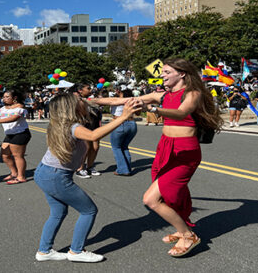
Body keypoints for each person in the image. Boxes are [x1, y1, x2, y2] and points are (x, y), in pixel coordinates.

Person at [93, 58, 223, 257]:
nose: (162, 75)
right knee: (169, 195)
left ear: (182, 74)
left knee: (151, 199)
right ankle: (181, 229)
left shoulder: (192, 93)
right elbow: (118, 101)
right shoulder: (161, 95)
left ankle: (188, 235)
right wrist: (88, 101)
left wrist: (151, 109)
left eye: (167, 72)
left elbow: (181, 113)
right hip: (165, 148)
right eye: (162, 72)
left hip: (185, 152)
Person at [34, 93, 141, 262]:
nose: (85, 102)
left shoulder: (59, 124)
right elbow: (93, 136)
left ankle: (44, 251)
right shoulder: (73, 127)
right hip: (56, 176)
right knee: (89, 210)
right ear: (71, 108)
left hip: (45, 173)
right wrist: (124, 116)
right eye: (80, 101)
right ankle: (76, 252)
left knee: (58, 212)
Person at [0, 90, 31, 184]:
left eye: (7, 97)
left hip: (20, 133)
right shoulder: (4, 108)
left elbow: (13, 118)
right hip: (10, 134)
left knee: (17, 156)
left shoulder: (20, 108)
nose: (4, 99)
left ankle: (21, 177)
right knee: (5, 156)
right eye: (4, 97)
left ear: (14, 98)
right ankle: (14, 173)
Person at [104, 87, 138, 176]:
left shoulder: (117, 100)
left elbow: (105, 101)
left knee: (116, 147)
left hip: (119, 123)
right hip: (132, 124)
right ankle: (127, 168)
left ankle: (122, 169)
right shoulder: (133, 101)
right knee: (124, 146)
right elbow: (138, 113)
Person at [72, 83, 102, 178]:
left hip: (95, 125)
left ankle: (90, 167)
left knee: (95, 147)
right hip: (84, 126)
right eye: (88, 88)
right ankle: (80, 169)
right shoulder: (77, 99)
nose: (90, 90)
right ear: (80, 90)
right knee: (86, 148)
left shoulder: (92, 99)